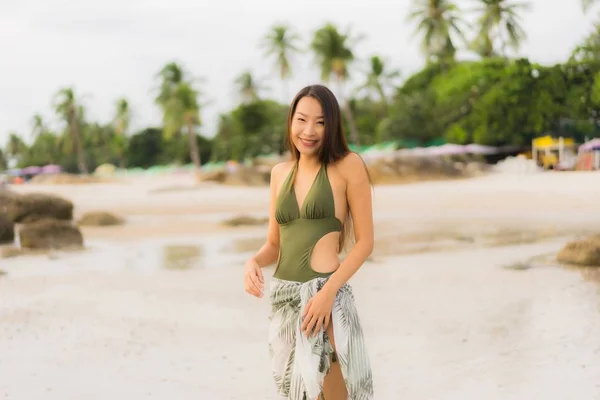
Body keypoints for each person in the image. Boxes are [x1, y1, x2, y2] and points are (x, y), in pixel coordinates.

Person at [243, 84, 374, 400]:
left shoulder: (348, 165)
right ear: (290, 122)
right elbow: (274, 244)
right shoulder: (279, 173)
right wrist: (253, 262)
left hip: (325, 299)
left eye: (320, 122)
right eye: (301, 119)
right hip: (284, 300)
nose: (309, 130)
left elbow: (365, 242)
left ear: (332, 126)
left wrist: (328, 294)